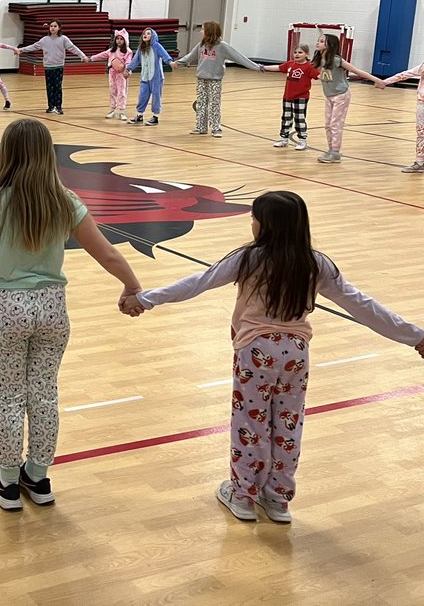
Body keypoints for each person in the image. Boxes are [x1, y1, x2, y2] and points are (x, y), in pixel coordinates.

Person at [120, 191, 424, 524]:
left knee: (250, 423)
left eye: (253, 218)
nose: (251, 223)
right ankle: (278, 498)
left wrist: (145, 299)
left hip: (256, 352)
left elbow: (198, 282)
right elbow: (363, 306)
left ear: (265, 224)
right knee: (288, 423)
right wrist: (416, 336)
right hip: (296, 354)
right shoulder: (316, 263)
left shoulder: (249, 258)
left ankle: (243, 496)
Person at [0, 118, 141, 511]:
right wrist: (132, 286)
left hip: (6, 308)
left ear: (8, 155)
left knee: (10, 395)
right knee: (45, 393)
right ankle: (38, 475)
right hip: (52, 307)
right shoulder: (66, 200)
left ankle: (7, 482)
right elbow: (107, 252)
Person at [175, 21, 263, 137]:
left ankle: (216, 128)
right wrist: (178, 63)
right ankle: (201, 127)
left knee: (214, 104)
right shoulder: (201, 45)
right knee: (201, 103)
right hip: (201, 79)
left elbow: (239, 57)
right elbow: (190, 56)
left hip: (215, 80)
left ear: (209, 31)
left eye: (203, 29)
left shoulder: (222, 46)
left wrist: (256, 67)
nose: (201, 31)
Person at [311, 33, 378, 164]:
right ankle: (331, 150)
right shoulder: (319, 60)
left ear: (330, 45)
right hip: (329, 95)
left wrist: (377, 80)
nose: (318, 43)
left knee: (335, 124)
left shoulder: (336, 60)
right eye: (318, 40)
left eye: (322, 41)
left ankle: (335, 152)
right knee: (328, 125)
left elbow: (357, 71)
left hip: (341, 95)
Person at [19, 20, 89, 115]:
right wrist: (21, 50)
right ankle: (51, 106)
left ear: (59, 28)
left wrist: (82, 56)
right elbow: (33, 46)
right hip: (48, 67)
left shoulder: (63, 39)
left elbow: (73, 48)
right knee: (49, 87)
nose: (52, 28)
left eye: (55, 26)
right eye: (51, 26)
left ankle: (58, 107)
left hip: (58, 66)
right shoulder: (44, 40)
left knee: (57, 87)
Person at [261, 45, 321, 151]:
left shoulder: (309, 67)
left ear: (307, 55)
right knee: (286, 118)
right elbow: (278, 67)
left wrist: (330, 76)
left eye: (300, 52)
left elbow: (319, 76)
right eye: (295, 52)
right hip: (288, 96)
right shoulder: (290, 64)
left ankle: (302, 140)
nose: (297, 54)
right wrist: (264, 68)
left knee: (299, 119)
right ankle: (284, 139)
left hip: (301, 97)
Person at [375, 58, 424, 173]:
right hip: (422, 104)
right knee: (421, 132)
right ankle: (420, 162)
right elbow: (405, 74)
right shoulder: (422, 66)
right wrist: (385, 82)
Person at [126, 27, 175, 125]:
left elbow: (164, 55)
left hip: (156, 77)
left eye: (148, 33)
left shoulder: (156, 46)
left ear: (153, 36)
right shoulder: (141, 48)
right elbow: (135, 60)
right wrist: (128, 69)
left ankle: (155, 117)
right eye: (144, 33)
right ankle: (139, 115)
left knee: (156, 96)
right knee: (142, 96)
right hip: (145, 77)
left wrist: (170, 62)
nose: (145, 35)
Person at [88, 30, 132, 121]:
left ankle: (122, 111)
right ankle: (112, 109)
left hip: (122, 74)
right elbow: (101, 55)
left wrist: (127, 70)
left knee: (122, 91)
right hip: (112, 73)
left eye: (121, 39)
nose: (119, 40)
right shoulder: (112, 50)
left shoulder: (128, 51)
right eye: (117, 39)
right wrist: (91, 58)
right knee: (112, 91)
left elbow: (128, 62)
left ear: (125, 40)